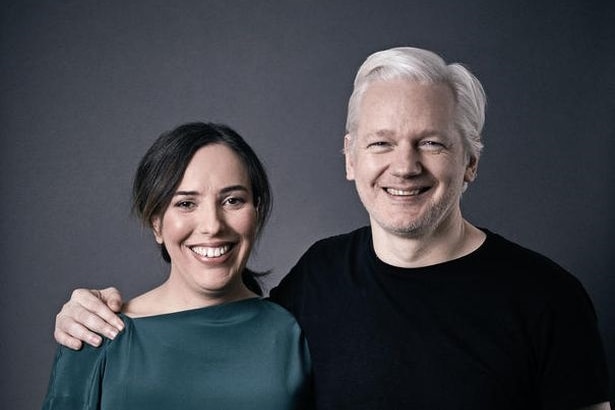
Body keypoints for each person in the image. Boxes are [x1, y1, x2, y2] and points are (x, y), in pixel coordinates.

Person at [52, 47, 611, 409]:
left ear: (470, 162)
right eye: (381, 142)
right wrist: (91, 312)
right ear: (349, 158)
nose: (405, 165)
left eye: (433, 142)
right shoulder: (315, 280)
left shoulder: (548, 299)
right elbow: (214, 329)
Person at [42, 122, 313, 409]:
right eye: (186, 204)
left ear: (256, 212)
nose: (212, 226)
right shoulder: (96, 330)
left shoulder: (293, 333)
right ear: (156, 222)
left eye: (233, 200)